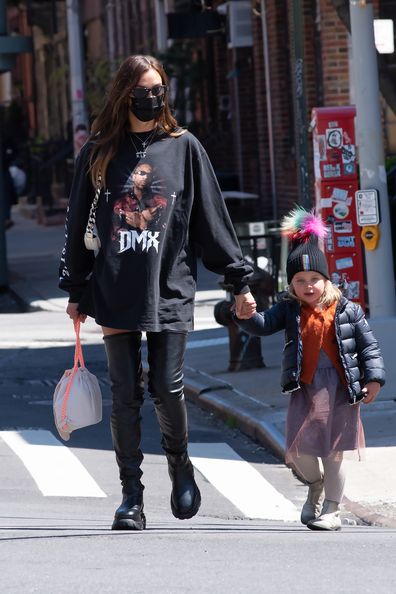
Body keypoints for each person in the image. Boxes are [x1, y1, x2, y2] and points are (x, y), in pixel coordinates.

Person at [59, 55, 256, 531]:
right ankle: (131, 495)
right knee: (126, 395)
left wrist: (238, 283)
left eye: (159, 88)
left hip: (169, 284)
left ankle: (180, 463)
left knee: (168, 389)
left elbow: (212, 218)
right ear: (125, 94)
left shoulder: (183, 147)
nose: (153, 97)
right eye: (145, 90)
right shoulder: (99, 151)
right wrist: (76, 289)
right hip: (114, 286)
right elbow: (78, 225)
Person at [235, 207, 385, 531]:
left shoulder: (347, 309)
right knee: (298, 450)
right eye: (300, 281)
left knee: (335, 452)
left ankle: (331, 509)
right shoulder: (289, 309)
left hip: (343, 388)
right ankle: (315, 485)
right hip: (305, 388)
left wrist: (373, 378)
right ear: (291, 284)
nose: (308, 286)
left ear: (326, 279)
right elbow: (262, 325)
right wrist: (246, 316)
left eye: (314, 279)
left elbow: (369, 347)